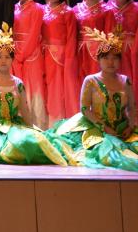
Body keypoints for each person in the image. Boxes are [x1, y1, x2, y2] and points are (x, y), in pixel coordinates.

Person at [0, 32, 73, 165]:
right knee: (7, 145)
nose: (3, 61)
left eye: (7, 57)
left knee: (35, 140)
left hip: (14, 125)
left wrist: (32, 129)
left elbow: (25, 111)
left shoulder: (18, 83)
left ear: (12, 59)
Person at [55, 28, 138, 171]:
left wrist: (130, 126)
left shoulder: (126, 81)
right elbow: (85, 109)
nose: (110, 62)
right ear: (98, 60)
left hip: (122, 128)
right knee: (108, 154)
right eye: (106, 58)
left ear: (120, 61)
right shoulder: (91, 80)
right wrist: (104, 128)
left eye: (115, 58)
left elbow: (132, 107)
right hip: (96, 127)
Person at [10, 0, 47, 129]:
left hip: (31, 54)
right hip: (16, 52)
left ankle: (36, 125)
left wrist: (21, 55)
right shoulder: (14, 7)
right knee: (19, 88)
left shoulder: (38, 8)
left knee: (33, 88)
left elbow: (34, 34)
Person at [41, 0, 80, 123]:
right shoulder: (42, 9)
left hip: (60, 56)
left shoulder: (68, 12)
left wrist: (69, 59)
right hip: (43, 54)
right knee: (46, 86)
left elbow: (71, 37)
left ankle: (58, 121)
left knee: (58, 88)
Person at [75, 0, 112, 79]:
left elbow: (110, 36)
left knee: (98, 81)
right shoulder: (75, 10)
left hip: (99, 52)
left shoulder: (107, 10)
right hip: (79, 51)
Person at [107, 0, 137, 78]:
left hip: (131, 49)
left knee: (130, 78)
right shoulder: (107, 8)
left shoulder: (136, 8)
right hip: (112, 49)